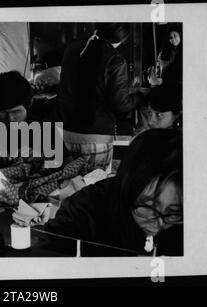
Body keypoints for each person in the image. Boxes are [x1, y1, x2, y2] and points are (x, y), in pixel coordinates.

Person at [45, 129, 183, 256]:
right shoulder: (85, 210)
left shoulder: (190, 227)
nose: (158, 224)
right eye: (148, 207)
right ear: (126, 189)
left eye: (174, 212)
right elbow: (53, 249)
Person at [56, 23, 144, 173]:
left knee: (69, 188)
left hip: (67, 134)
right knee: (93, 189)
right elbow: (120, 105)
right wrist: (139, 95)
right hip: (96, 138)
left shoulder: (71, 50)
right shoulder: (116, 60)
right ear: (122, 38)